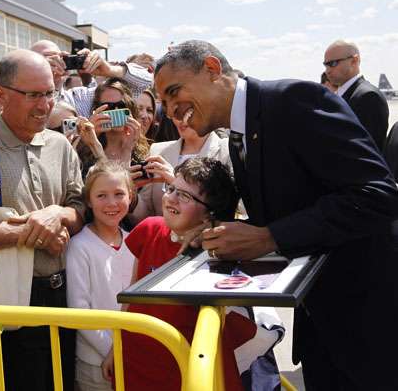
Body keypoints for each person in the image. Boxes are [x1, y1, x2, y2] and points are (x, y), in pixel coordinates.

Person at [155, 40, 398, 390]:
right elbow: (294, 209)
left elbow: (377, 194)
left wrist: (269, 237)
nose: (171, 111)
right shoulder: (239, 131)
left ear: (211, 68)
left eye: (174, 92)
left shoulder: (294, 101)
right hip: (322, 330)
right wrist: (225, 232)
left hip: (370, 326)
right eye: (163, 103)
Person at [103, 158, 281, 391]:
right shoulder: (149, 229)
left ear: (209, 215)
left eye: (185, 196)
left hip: (187, 367)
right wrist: (115, 347)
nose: (172, 198)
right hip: (137, 359)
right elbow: (132, 293)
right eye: (172, 188)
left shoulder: (221, 252)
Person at [0, 49, 85, 391]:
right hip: (8, 301)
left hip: (64, 296)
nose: (44, 105)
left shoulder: (60, 145)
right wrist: (37, 231)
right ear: (1, 95)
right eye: (33, 95)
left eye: (50, 93)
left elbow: (80, 207)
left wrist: (59, 215)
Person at [66, 161, 135, 391]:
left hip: (131, 357)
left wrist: (124, 352)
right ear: (89, 200)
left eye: (119, 194)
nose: (112, 203)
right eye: (102, 195)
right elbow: (79, 309)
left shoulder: (135, 242)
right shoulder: (79, 246)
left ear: (130, 196)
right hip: (95, 363)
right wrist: (111, 351)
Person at [129, 106, 230, 226]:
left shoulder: (228, 151)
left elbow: (227, 214)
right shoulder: (158, 150)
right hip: (161, 241)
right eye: (176, 112)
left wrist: (175, 181)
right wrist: (132, 195)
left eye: (188, 111)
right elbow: (146, 216)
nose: (181, 119)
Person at [30, 40, 153, 117]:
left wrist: (109, 70)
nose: (55, 63)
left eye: (59, 58)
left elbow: (145, 82)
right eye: (46, 59)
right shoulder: (17, 97)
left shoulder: (79, 98)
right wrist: (39, 74)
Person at [323, 40, 389, 151]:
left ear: (354, 61)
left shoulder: (368, 97)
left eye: (333, 64)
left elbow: (366, 151)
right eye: (326, 65)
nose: (327, 71)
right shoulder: (344, 95)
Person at [76, 78, 149, 178]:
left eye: (120, 105)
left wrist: (128, 148)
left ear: (130, 107)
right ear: (97, 110)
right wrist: (92, 137)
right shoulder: (85, 152)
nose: (115, 110)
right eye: (108, 107)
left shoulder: (142, 154)